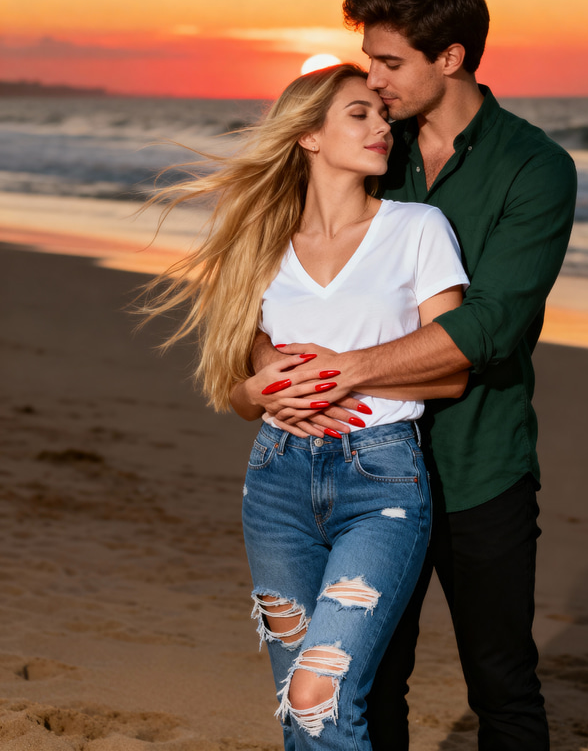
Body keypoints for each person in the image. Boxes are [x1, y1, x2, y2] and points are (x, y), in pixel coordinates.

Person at [231, 0, 578, 751]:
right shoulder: (377, 152)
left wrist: (340, 370)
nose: (376, 85)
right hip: (352, 456)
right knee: (371, 679)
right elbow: (277, 289)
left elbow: (491, 327)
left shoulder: (534, 167)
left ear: (448, 58)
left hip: (477, 463)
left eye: (390, 64)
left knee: (500, 680)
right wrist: (270, 369)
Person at [139, 63, 470, 749]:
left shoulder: (417, 228)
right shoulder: (264, 242)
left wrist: (345, 378)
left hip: (380, 483)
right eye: (360, 113)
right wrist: (255, 391)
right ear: (309, 135)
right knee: (298, 705)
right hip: (275, 485)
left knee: (322, 691)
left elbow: (454, 371)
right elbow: (237, 395)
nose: (384, 126)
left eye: (385, 115)